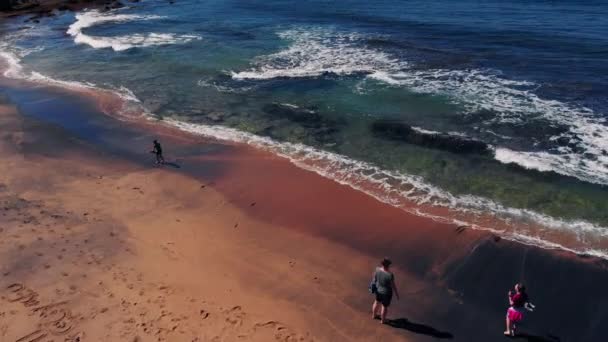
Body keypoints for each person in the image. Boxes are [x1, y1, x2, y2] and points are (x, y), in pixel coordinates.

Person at [371, 257, 400, 324]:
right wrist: (397, 294)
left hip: (378, 290)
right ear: (388, 265)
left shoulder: (377, 269)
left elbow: (374, 278)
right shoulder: (390, 275)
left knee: (376, 302)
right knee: (384, 306)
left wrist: (373, 285)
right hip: (386, 293)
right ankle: (383, 320)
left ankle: (374, 315)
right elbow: (393, 285)